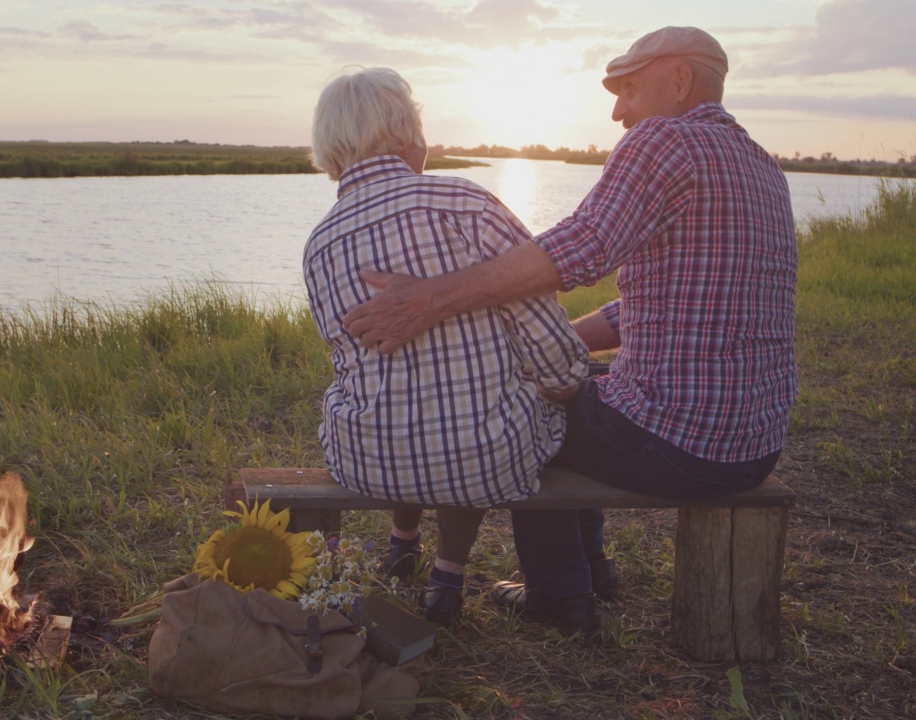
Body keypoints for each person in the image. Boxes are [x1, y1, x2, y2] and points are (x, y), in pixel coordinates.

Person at [341, 27, 799, 636]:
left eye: (629, 88)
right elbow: (661, 305)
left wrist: (430, 298)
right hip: (754, 442)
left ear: (681, 79)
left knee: (532, 411)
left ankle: (560, 595)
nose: (619, 111)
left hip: (684, 442)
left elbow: (581, 248)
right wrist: (550, 345)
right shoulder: (764, 166)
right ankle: (592, 573)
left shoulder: (664, 141)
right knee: (570, 384)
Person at [304, 66, 589, 625]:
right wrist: (563, 378)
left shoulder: (320, 241)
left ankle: (401, 540)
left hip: (367, 458)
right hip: (483, 455)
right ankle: (447, 580)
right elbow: (537, 312)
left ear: (330, 150)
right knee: (476, 412)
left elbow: (348, 355)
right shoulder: (467, 203)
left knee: (409, 394)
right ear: (405, 133)